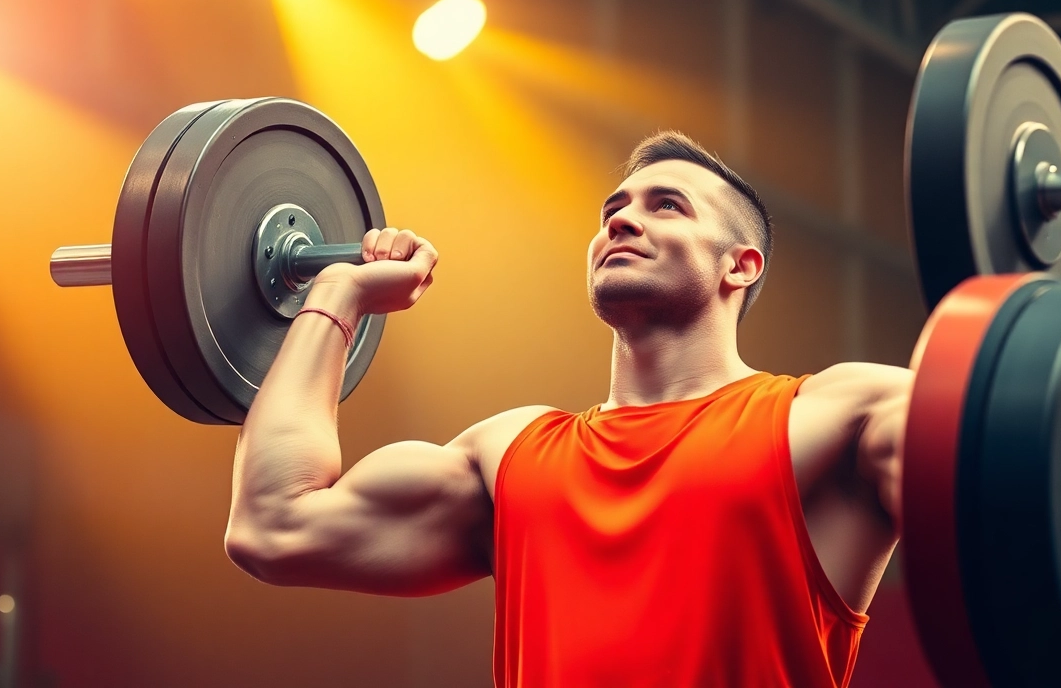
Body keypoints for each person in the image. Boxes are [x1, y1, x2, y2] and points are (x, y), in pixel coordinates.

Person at [224, 131, 912, 687]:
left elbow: (999, 470)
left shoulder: (830, 418)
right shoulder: (510, 455)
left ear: (740, 265)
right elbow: (273, 524)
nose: (622, 219)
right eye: (614, 208)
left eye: (666, 204)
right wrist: (339, 296)